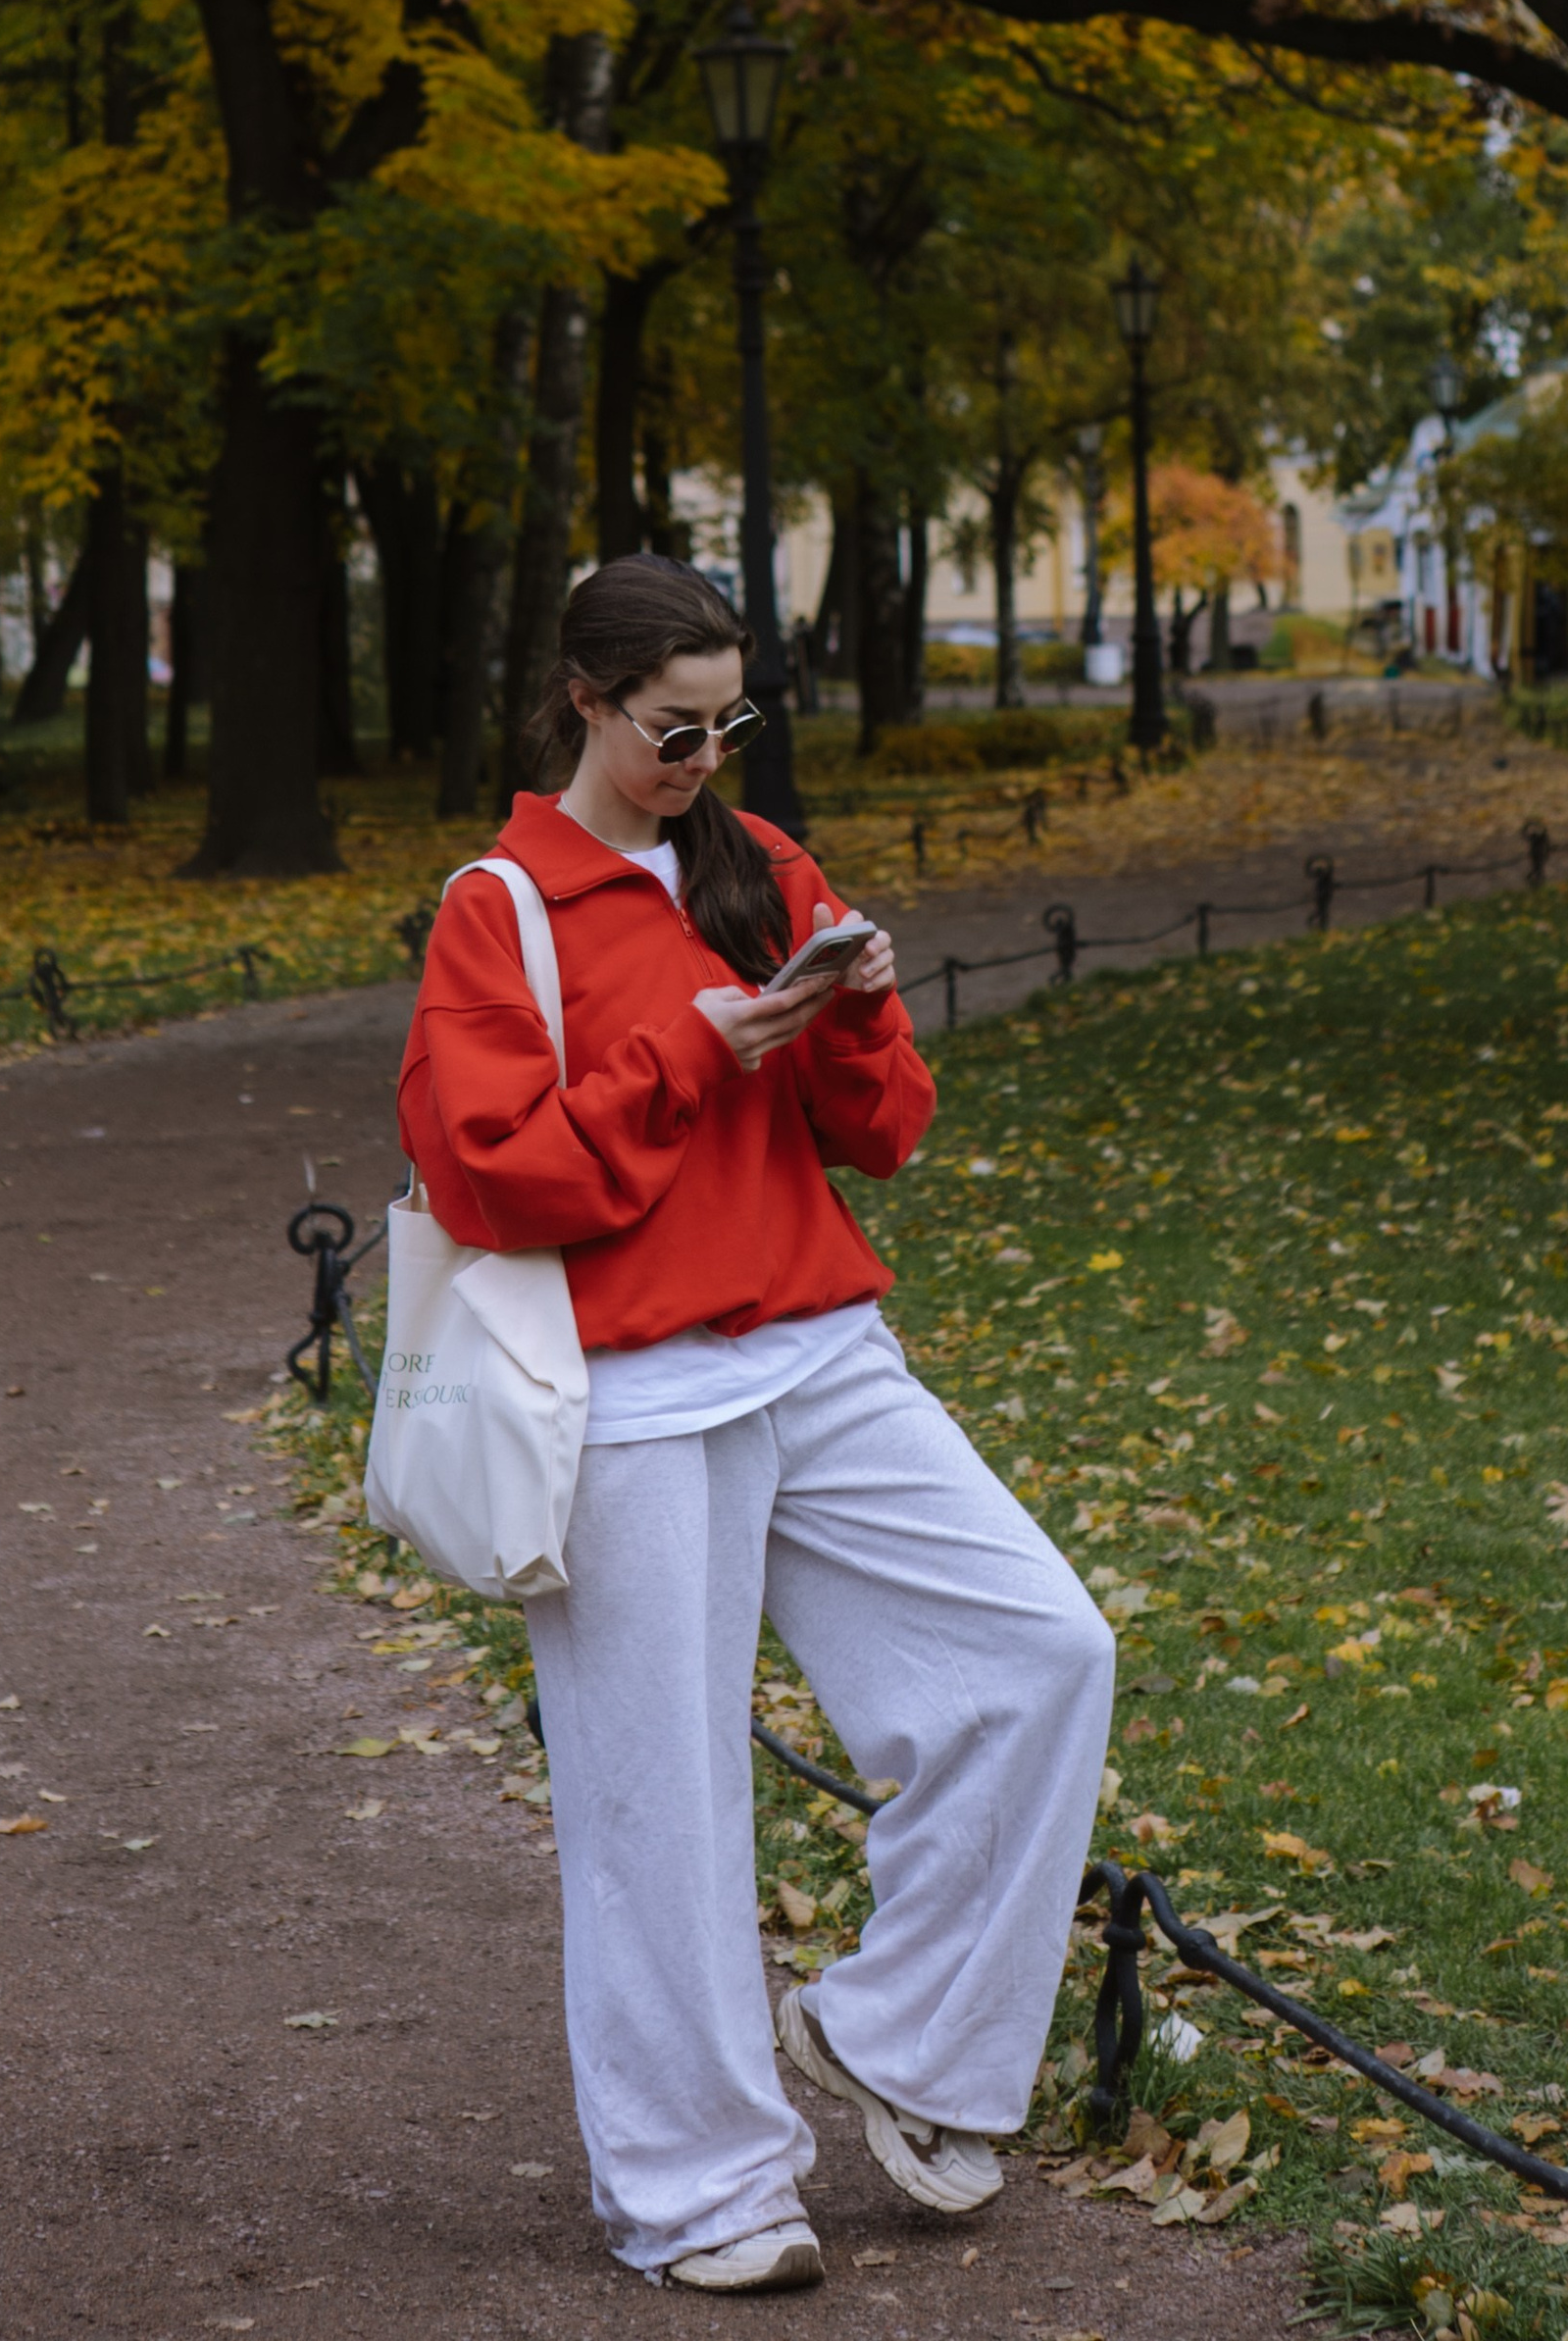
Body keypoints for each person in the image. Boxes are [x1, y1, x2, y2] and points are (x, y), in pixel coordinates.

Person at [397, 555, 1115, 2295]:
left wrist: (853, 1002)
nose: (704, 755)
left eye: (732, 722)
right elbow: (490, 1178)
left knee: (1041, 1653)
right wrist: (693, 1060)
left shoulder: (759, 862)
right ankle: (697, 2189)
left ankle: (905, 2044)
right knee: (661, 1798)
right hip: (624, 1390)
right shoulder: (501, 907)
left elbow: (884, 1132)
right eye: (671, 727)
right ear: (584, 699)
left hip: (819, 1345)